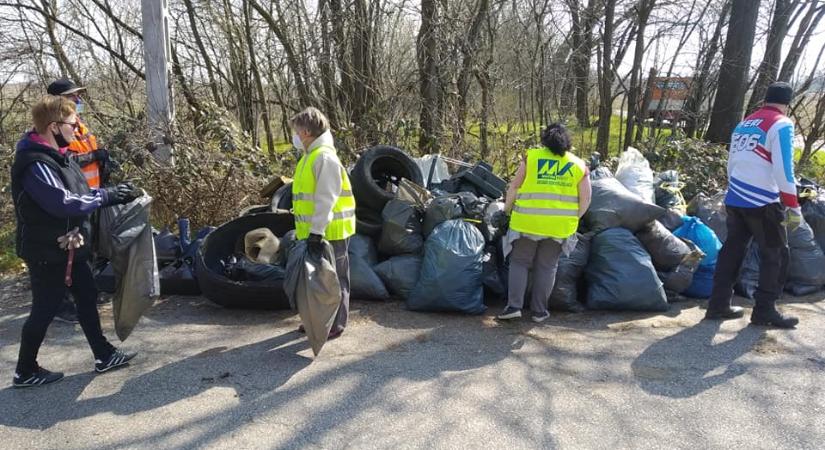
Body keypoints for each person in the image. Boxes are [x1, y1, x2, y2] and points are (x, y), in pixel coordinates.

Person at [10, 96, 139, 387]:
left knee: (86, 295)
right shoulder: (34, 163)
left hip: (70, 245)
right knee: (46, 306)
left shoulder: (59, 156)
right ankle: (25, 370)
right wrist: (106, 196)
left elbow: (80, 192)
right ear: (53, 126)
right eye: (72, 124)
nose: (76, 128)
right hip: (47, 250)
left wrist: (110, 189)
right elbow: (63, 203)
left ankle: (103, 354)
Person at [705, 82, 800, 329]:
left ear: (765, 99)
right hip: (763, 201)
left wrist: (732, 192)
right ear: (787, 103)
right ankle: (765, 311)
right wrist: (793, 205)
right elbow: (783, 169)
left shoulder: (744, 124)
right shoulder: (781, 124)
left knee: (733, 251)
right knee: (776, 254)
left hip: (736, 198)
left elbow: (731, 162)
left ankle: (717, 305)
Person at [496, 123, 591, 322]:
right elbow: (586, 199)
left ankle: (514, 306)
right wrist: (574, 218)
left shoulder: (531, 157)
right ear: (568, 142)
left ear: (544, 140)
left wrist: (506, 211)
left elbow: (514, 187)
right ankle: (539, 312)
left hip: (527, 222)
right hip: (558, 227)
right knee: (547, 266)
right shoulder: (578, 165)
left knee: (520, 262)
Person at [46, 78, 112, 323]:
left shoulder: (79, 126)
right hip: (71, 199)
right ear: (59, 101)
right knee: (67, 253)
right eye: (73, 96)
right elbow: (64, 161)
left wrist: (103, 163)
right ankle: (61, 304)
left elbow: (87, 157)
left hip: (90, 196)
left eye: (78, 96)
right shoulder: (54, 129)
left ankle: (85, 293)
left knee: (86, 250)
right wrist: (94, 155)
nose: (78, 100)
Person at [290, 107, 356, 339]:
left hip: (331, 232)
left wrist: (317, 232)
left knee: (334, 280)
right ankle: (316, 321)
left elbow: (325, 199)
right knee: (315, 282)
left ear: (307, 132)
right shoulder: (310, 157)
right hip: (312, 232)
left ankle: (336, 324)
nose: (295, 136)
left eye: (297, 132)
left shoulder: (324, 158)